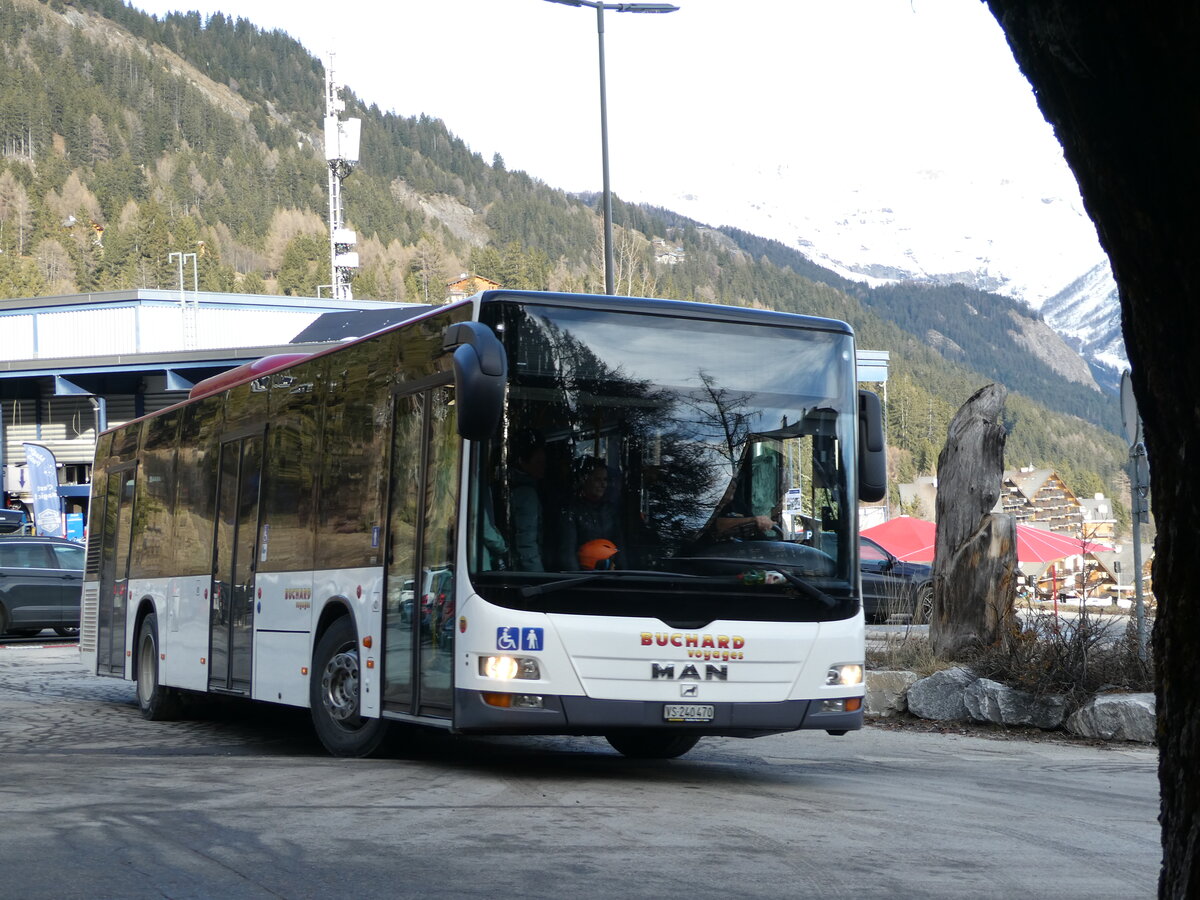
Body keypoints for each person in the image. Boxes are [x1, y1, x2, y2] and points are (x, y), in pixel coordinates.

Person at [560, 456, 622, 569]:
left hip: (610, 575)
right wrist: (578, 582)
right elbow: (568, 554)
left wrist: (624, 579)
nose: (603, 484)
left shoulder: (610, 510)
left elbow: (621, 549)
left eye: (605, 480)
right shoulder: (572, 511)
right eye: (598, 479)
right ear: (584, 479)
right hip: (585, 577)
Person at [509, 429, 546, 571]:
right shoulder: (526, 494)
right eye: (538, 463)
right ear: (522, 462)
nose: (543, 468)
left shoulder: (514, 486)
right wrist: (538, 578)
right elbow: (527, 543)